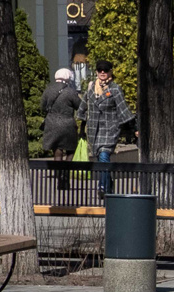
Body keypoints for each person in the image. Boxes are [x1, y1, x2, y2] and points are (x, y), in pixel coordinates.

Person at [79, 61, 133, 194]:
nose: (102, 72)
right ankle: (109, 185)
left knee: (104, 156)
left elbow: (123, 109)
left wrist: (133, 128)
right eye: (100, 70)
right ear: (96, 72)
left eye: (106, 70)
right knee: (100, 159)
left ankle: (102, 187)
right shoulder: (91, 87)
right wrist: (81, 128)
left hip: (110, 129)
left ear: (110, 71)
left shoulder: (115, 89)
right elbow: (83, 107)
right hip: (93, 131)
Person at [40, 67, 81, 159]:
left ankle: (58, 172)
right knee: (71, 149)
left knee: (57, 148)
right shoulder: (70, 92)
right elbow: (79, 106)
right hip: (67, 124)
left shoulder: (48, 90)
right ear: (68, 77)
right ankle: (66, 171)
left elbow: (42, 107)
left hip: (51, 123)